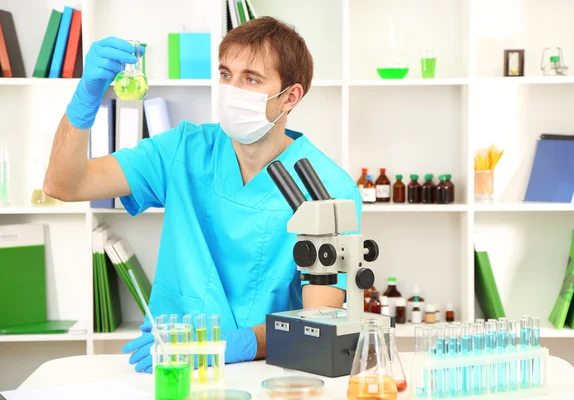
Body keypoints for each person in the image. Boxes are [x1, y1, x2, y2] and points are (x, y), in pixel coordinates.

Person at [44, 16, 362, 373]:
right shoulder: (185, 149)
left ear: (290, 96)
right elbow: (64, 185)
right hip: (170, 365)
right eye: (226, 75)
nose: (232, 89)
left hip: (269, 372)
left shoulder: (329, 190)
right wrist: (85, 96)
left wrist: (230, 345)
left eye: (251, 79)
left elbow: (317, 326)